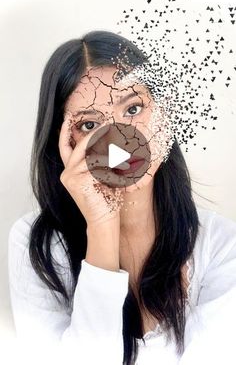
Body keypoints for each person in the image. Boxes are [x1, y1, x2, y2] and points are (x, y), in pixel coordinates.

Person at [8, 30, 236, 365]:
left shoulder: (221, 245)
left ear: (164, 117)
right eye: (88, 125)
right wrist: (101, 228)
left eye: (133, 108)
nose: (120, 142)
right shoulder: (37, 245)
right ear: (64, 144)